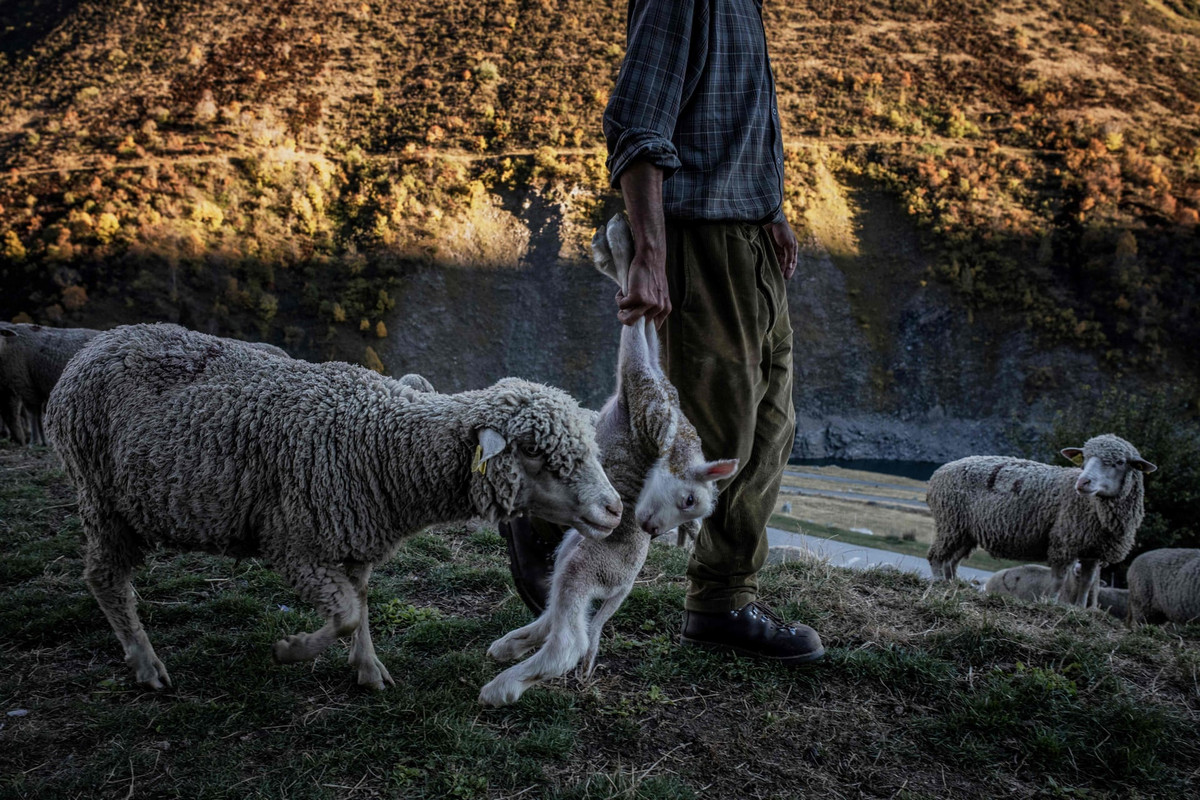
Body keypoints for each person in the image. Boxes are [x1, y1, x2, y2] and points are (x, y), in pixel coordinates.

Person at [502, 0, 823, 664]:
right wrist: (650, 254)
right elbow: (636, 124)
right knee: (713, 434)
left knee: (769, 428)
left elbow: (740, 113)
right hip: (701, 237)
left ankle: (722, 602)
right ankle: (540, 519)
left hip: (750, 233)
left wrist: (772, 205)